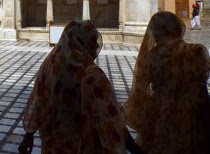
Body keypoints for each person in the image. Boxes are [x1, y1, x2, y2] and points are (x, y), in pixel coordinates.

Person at [19, 20, 143, 154]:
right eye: (92, 41)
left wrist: (28, 135)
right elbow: (111, 118)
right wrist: (136, 149)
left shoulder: (50, 65)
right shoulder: (91, 76)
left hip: (52, 144)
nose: (96, 45)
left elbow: (38, 101)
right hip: (81, 146)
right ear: (80, 42)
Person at [123, 11, 210, 154]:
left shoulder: (151, 58)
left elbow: (139, 97)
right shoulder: (197, 52)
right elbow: (202, 90)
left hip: (165, 123)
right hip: (197, 120)